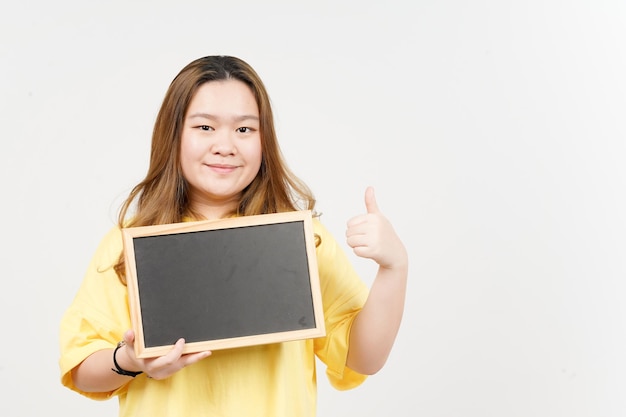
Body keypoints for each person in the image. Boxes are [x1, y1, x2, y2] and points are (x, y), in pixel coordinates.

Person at [59, 55, 408, 417]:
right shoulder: (128, 243)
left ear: (264, 141)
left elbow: (363, 358)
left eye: (244, 130)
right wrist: (132, 360)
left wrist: (394, 267)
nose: (225, 145)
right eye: (204, 127)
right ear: (173, 134)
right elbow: (81, 368)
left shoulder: (301, 240)